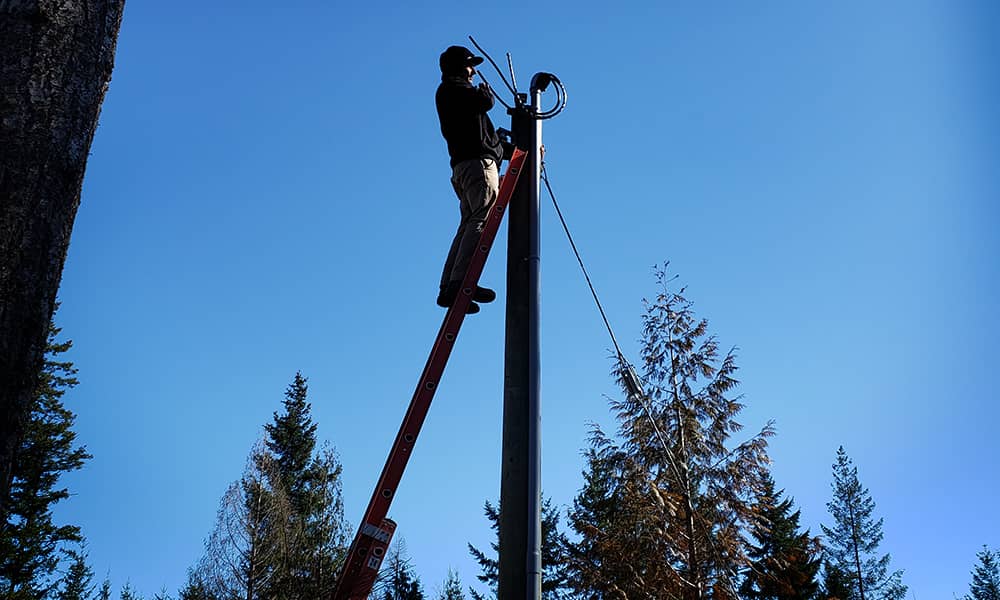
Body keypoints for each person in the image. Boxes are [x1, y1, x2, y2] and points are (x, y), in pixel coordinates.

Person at [434, 45, 506, 314]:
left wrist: (505, 148)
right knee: (480, 219)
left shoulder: (453, 96)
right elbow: (483, 103)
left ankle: (451, 285)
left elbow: (487, 137)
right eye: (469, 65)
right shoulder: (455, 91)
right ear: (456, 68)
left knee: (468, 222)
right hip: (477, 166)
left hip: (465, 167)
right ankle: (461, 282)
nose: (473, 70)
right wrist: (485, 93)